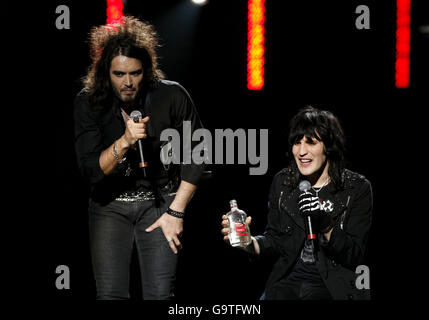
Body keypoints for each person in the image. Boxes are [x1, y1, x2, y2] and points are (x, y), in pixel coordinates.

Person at [74, 16, 204, 300]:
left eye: (135, 73)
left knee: (160, 295)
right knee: (110, 294)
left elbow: (199, 155)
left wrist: (176, 211)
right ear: (105, 73)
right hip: (109, 206)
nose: (128, 82)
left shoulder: (171, 95)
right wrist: (124, 141)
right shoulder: (89, 101)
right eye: (119, 74)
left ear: (147, 70)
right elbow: (90, 171)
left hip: (160, 204)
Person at [221, 106, 372, 300]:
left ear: (329, 146)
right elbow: (276, 240)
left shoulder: (356, 188)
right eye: (296, 142)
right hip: (288, 283)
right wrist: (249, 243)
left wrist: (325, 224)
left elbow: (356, 256)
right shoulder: (284, 183)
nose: (301, 151)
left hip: (332, 285)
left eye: (311, 142)